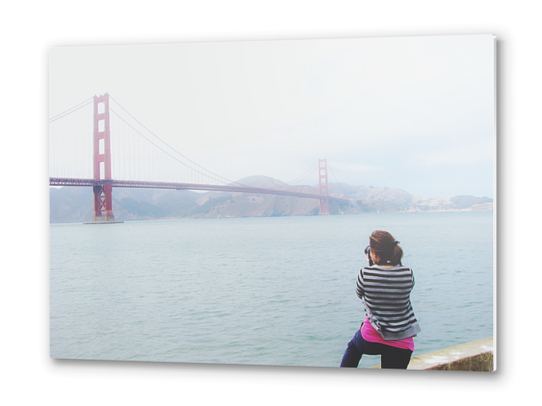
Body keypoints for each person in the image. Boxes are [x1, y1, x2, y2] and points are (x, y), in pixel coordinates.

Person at [340, 230, 421, 369]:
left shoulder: (365, 273)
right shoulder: (408, 273)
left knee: (353, 348)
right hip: (402, 341)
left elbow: (360, 293)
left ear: (373, 253)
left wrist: (372, 266)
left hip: (372, 337)